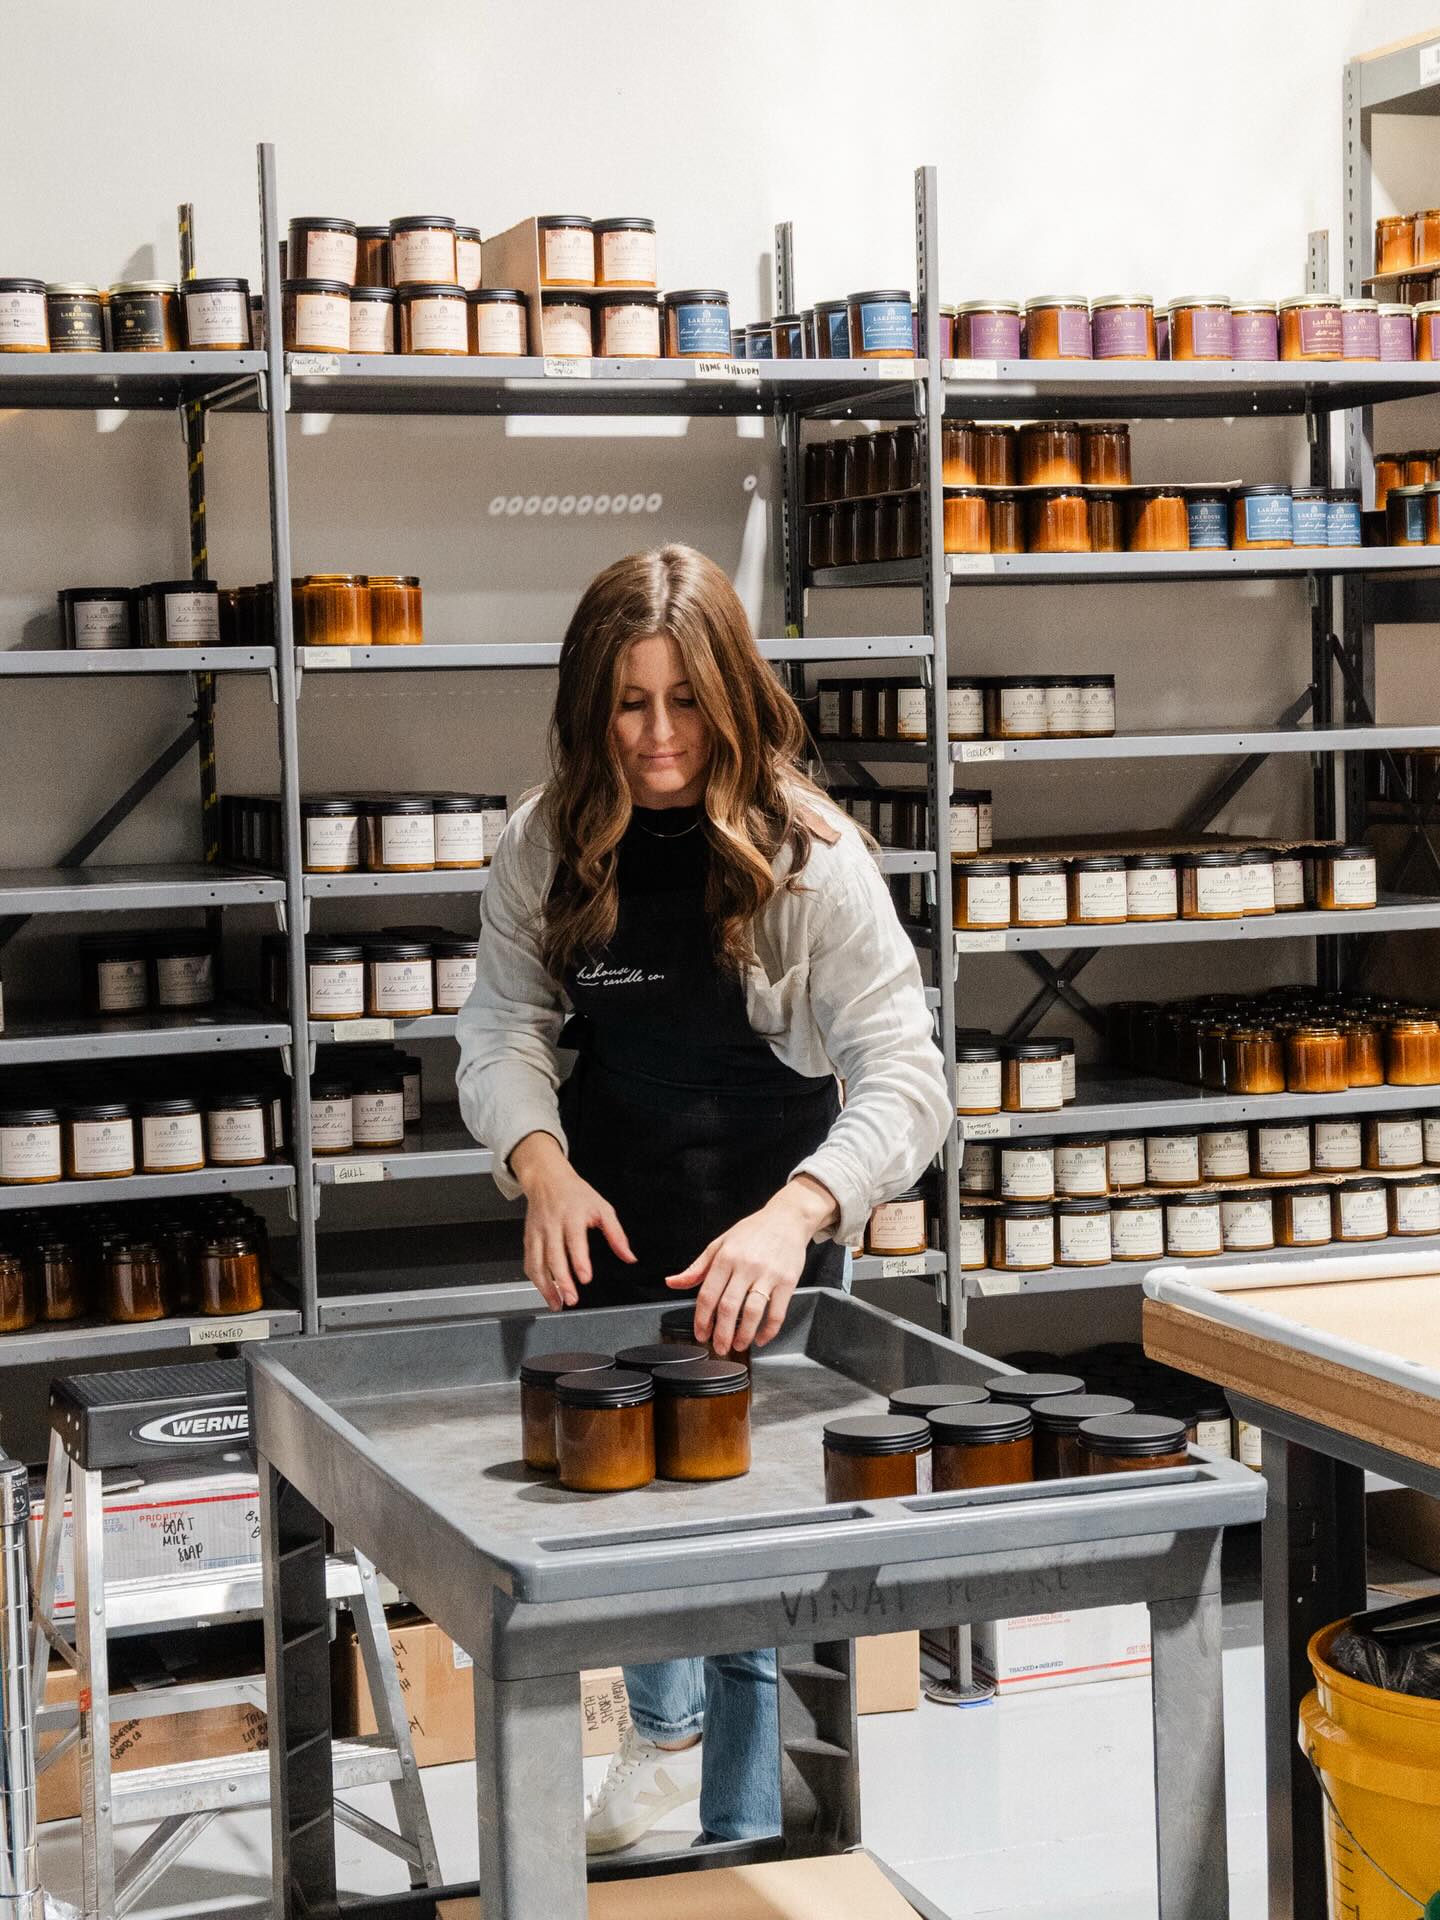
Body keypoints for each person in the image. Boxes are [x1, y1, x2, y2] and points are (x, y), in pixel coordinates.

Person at [457, 544, 950, 1854]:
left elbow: (907, 1075)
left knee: (749, 1552)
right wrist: (539, 1164)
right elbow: (501, 1021)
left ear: (731, 699)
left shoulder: (810, 859)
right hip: (608, 1220)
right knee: (623, 1518)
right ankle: (659, 1748)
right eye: (629, 703)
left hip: (764, 1236)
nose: (659, 736)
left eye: (685, 701)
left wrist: (800, 1212)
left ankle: (739, 1839)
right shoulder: (547, 842)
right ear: (589, 705)